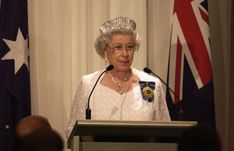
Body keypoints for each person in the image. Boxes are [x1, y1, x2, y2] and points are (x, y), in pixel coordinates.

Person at [65, 16, 171, 137]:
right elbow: (72, 131)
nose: (125, 54)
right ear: (105, 50)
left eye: (130, 47)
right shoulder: (89, 84)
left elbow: (166, 131)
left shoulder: (152, 84)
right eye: (118, 47)